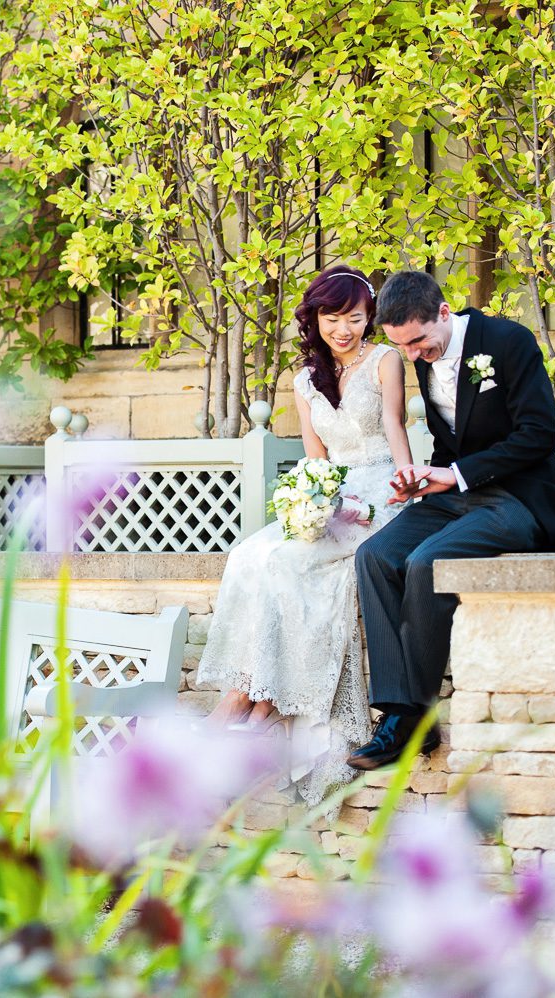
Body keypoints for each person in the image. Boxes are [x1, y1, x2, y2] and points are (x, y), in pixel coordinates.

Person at [347, 270, 555, 772]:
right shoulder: (425, 357)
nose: (411, 355)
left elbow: (540, 435)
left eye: (417, 341)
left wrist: (456, 475)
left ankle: (408, 718)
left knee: (427, 562)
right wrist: (426, 478)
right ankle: (403, 710)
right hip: (459, 496)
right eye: (400, 346)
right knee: (375, 555)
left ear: (444, 313)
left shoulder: (508, 341)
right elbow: (453, 441)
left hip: (519, 502)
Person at [197, 264, 413, 804]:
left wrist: (408, 486)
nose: (344, 329)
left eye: (355, 318)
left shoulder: (385, 361)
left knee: (292, 565)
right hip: (333, 494)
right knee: (253, 555)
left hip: (381, 492)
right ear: (315, 320)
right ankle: (251, 703)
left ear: (370, 317)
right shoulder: (303, 381)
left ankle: (246, 712)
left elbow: (393, 425)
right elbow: (316, 461)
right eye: (332, 318)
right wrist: (313, 505)